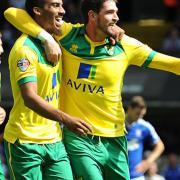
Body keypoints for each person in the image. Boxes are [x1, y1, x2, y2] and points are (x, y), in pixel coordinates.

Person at [4, 0, 180, 179]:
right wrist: (46, 37)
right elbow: (12, 13)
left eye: (116, 12)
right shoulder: (66, 34)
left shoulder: (125, 45)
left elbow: (170, 63)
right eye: (110, 12)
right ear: (93, 15)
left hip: (116, 138)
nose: (117, 17)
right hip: (80, 136)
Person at [3, 0, 93, 179]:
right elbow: (30, 98)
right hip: (25, 141)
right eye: (55, 5)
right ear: (37, 10)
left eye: (61, 5)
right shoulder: (24, 49)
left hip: (54, 140)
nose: (62, 11)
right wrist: (66, 119)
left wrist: (114, 29)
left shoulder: (59, 38)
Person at [126, 96, 164, 180]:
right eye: (137, 114)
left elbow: (160, 146)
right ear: (130, 109)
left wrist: (148, 162)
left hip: (136, 176)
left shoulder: (145, 126)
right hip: (116, 174)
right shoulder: (117, 123)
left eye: (142, 115)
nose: (140, 117)